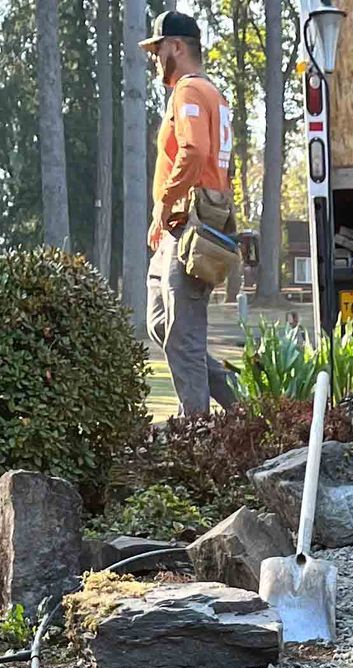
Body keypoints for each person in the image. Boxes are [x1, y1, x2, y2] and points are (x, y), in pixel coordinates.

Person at [141, 8, 238, 416]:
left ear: (176, 47)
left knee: (183, 334)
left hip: (190, 224)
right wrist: (158, 220)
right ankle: (247, 410)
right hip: (180, 226)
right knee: (161, 324)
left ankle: (193, 435)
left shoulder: (190, 91)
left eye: (157, 48)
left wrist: (165, 202)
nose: (153, 57)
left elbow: (195, 152)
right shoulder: (209, 93)